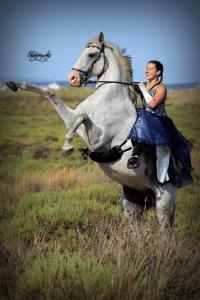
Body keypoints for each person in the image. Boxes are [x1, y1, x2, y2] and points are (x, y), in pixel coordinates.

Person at [127, 60, 193, 187]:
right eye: (146, 68)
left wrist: (143, 89)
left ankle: (163, 180)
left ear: (158, 72)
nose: (146, 71)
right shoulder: (144, 85)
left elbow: (152, 104)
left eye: (150, 68)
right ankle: (132, 154)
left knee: (163, 151)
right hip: (145, 118)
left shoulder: (161, 87)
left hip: (159, 121)